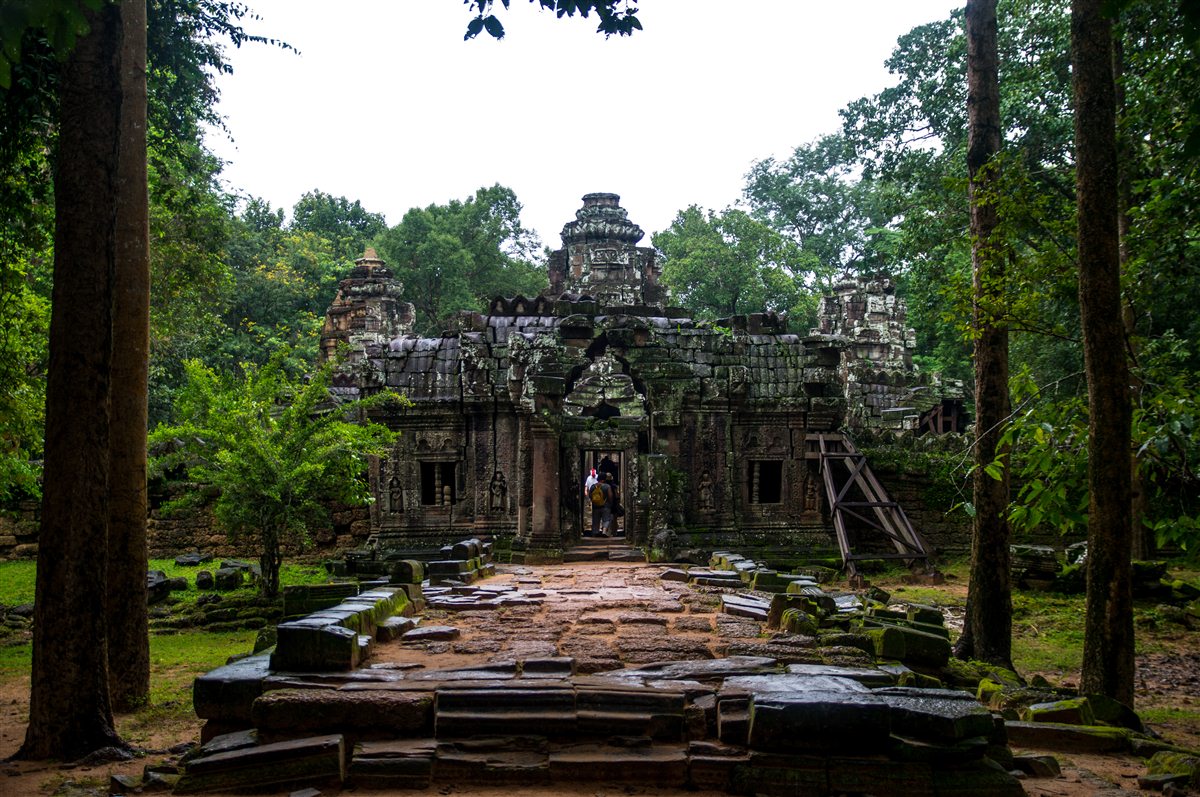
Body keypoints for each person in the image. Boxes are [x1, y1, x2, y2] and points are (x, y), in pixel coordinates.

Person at [584, 467, 600, 536]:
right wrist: (585, 491)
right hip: (592, 494)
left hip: (598, 494)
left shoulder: (597, 477)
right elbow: (586, 485)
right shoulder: (589, 478)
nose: (593, 476)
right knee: (594, 509)